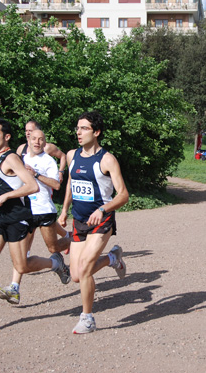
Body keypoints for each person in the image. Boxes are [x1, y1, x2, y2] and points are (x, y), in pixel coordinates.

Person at [0, 119, 70, 333]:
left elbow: (31, 186)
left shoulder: (11, 158)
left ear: (7, 136)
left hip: (17, 218)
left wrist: (8, 196)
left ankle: (55, 264)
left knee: (22, 266)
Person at [58, 111, 129, 334]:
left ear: (96, 132)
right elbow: (71, 183)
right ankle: (112, 258)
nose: (78, 132)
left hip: (102, 221)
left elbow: (123, 195)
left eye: (84, 128)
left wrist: (102, 208)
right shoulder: (72, 155)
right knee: (77, 276)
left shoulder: (107, 159)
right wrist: (64, 211)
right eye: (77, 128)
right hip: (79, 221)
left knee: (86, 268)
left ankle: (87, 318)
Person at [0, 129, 72, 305]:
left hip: (44, 210)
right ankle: (14, 287)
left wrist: (36, 174)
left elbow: (56, 185)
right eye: (34, 138)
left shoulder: (48, 161)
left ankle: (74, 238)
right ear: (27, 140)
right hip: (25, 211)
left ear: (44, 143)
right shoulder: (19, 159)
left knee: (54, 247)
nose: (37, 142)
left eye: (41, 139)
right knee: (22, 254)